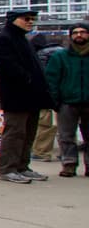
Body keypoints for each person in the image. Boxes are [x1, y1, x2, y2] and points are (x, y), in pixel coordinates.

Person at [0, 9, 54, 184]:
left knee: (29, 134)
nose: (30, 22)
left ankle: (22, 166)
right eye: (26, 19)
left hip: (32, 96)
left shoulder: (23, 39)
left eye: (32, 19)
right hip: (16, 97)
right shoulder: (3, 39)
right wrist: (28, 79)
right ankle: (7, 168)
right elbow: (9, 68)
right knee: (15, 133)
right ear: (13, 20)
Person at [44, 17, 89, 177]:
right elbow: (51, 80)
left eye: (83, 32)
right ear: (70, 36)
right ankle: (69, 164)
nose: (79, 35)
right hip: (67, 102)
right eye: (75, 32)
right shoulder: (60, 56)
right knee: (66, 136)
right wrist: (55, 101)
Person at [31, 33, 59, 161]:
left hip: (48, 94)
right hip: (66, 95)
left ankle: (41, 152)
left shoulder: (41, 54)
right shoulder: (62, 52)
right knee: (65, 127)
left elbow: (41, 75)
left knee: (45, 124)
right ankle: (67, 154)